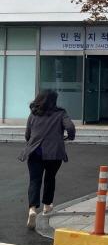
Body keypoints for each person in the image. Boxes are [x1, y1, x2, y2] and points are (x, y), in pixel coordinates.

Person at [19, 89, 76, 229]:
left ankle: (32, 209)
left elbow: (27, 134)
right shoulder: (61, 113)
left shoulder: (33, 114)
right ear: (53, 100)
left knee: (34, 180)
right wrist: (69, 136)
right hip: (54, 153)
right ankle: (47, 206)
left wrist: (31, 143)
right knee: (50, 178)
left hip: (35, 152)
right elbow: (70, 126)